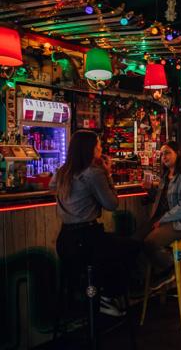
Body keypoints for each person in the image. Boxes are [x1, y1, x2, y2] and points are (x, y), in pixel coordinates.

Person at [50, 130, 140, 317]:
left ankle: (91, 297)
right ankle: (107, 296)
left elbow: (52, 187)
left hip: (65, 241)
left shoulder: (61, 172)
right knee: (133, 247)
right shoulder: (94, 173)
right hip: (87, 240)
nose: (101, 148)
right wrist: (108, 174)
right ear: (90, 149)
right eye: (98, 145)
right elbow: (112, 204)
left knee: (111, 249)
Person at [141, 141, 181, 290]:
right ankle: (145, 281)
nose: (164, 156)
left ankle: (169, 269)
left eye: (167, 152)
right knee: (136, 239)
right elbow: (162, 200)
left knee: (150, 242)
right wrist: (149, 190)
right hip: (166, 220)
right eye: (162, 154)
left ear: (178, 153)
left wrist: (163, 219)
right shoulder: (165, 176)